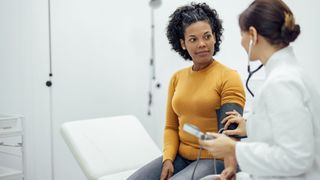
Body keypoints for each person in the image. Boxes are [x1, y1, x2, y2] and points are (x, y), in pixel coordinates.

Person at [199, 0, 320, 180]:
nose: (241, 42)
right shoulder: (289, 73)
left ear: (253, 35)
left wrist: (234, 149)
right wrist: (250, 125)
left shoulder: (281, 83)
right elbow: (287, 128)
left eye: (242, 35)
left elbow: (297, 158)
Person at [128, 2, 245, 180]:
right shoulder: (177, 78)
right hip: (181, 157)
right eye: (193, 39)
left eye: (207, 36)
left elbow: (231, 136)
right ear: (182, 43)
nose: (202, 44)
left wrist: (229, 169)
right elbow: (171, 127)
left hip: (215, 160)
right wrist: (168, 159)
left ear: (215, 37)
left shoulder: (228, 77)